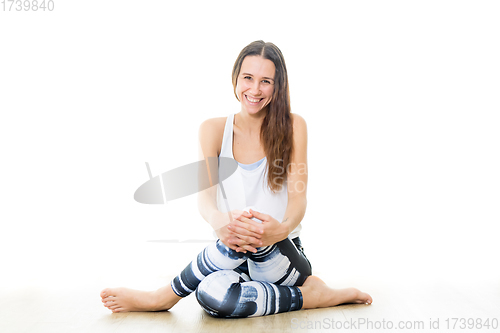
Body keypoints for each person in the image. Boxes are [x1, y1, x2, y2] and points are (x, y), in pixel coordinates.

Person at [100, 40, 372, 317]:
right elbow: (205, 199)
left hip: (282, 258)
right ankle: (311, 296)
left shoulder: (294, 126)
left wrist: (278, 229)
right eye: (248, 78)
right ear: (236, 78)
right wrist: (220, 221)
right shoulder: (213, 129)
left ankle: (162, 297)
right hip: (231, 252)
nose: (254, 90)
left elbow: (299, 198)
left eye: (266, 81)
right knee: (211, 297)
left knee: (250, 224)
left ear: (278, 86)